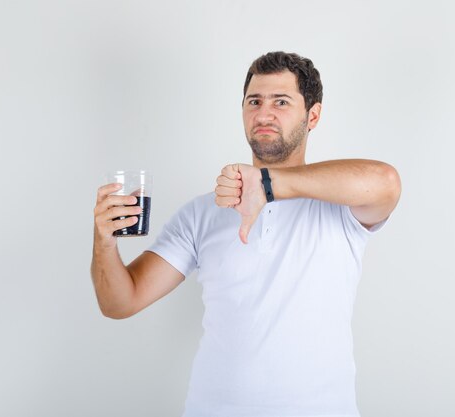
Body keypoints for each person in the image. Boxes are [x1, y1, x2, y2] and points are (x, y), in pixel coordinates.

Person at [91, 51, 401, 417]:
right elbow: (120, 303)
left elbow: (385, 182)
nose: (264, 114)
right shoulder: (201, 212)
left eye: (281, 102)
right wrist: (104, 242)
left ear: (312, 116)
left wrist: (265, 184)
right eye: (254, 101)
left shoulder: (338, 206)